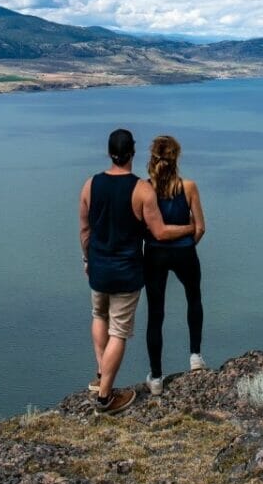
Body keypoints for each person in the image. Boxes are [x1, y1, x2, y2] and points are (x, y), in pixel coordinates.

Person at [78, 128, 195, 416]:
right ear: (132, 153)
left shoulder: (90, 185)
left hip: (98, 267)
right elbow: (160, 231)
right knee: (119, 331)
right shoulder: (142, 190)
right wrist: (191, 227)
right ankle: (106, 397)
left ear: (109, 153)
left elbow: (84, 230)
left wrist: (86, 259)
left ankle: (99, 377)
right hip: (127, 272)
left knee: (98, 316)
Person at [143, 135, 206, 396]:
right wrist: (186, 243)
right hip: (184, 253)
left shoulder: (144, 189)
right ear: (176, 157)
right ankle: (195, 357)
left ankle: (156, 377)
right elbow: (200, 228)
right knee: (194, 299)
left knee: (155, 314)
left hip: (154, 255)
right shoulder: (188, 186)